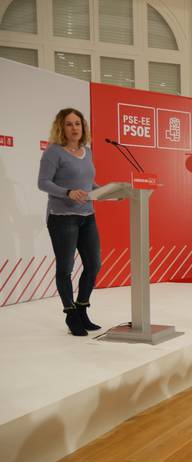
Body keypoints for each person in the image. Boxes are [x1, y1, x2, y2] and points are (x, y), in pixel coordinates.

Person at [37, 108, 102, 337]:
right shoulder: (53, 152)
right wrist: (67, 192)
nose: (74, 128)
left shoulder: (87, 151)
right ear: (61, 127)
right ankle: (70, 313)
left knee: (94, 265)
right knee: (65, 268)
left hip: (87, 216)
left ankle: (82, 308)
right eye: (69, 124)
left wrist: (107, 191)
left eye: (77, 123)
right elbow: (43, 182)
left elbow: (88, 183)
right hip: (62, 218)